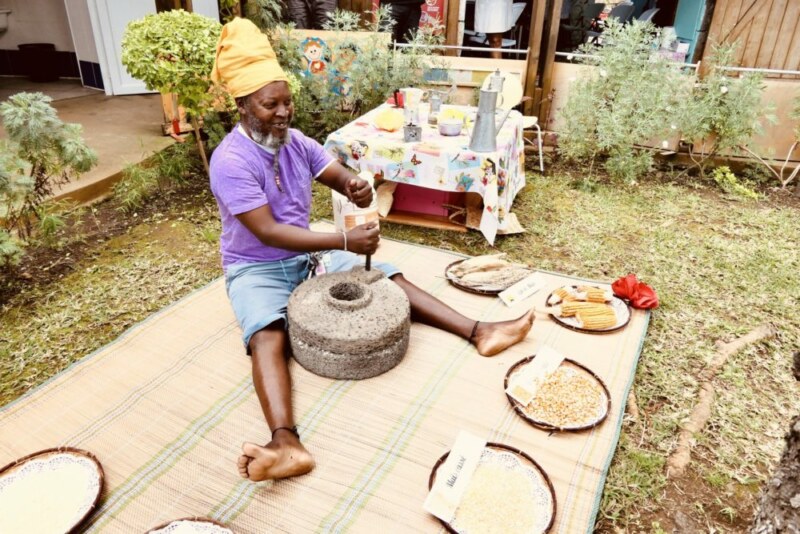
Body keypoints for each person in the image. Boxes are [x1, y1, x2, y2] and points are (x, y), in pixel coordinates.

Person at [209, 18, 535, 482]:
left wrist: (355, 185)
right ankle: (285, 442)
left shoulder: (295, 142)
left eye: (287, 102)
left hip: (306, 259)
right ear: (243, 106)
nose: (283, 113)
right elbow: (269, 232)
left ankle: (480, 330)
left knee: (383, 276)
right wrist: (343, 239)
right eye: (269, 105)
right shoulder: (231, 160)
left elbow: (335, 173)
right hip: (255, 266)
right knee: (267, 335)